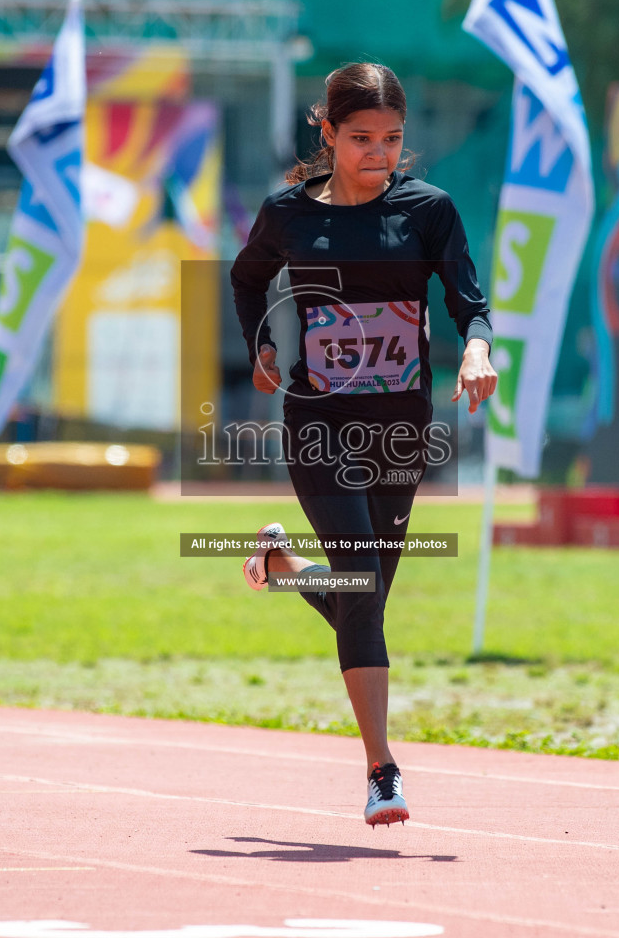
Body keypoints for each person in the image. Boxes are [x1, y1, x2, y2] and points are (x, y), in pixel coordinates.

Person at [229, 63, 497, 826]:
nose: (378, 153)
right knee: (360, 581)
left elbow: (469, 303)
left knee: (364, 595)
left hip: (402, 424)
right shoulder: (288, 215)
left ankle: (280, 565)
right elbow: (248, 282)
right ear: (328, 133)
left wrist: (476, 350)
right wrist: (263, 343)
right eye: (361, 139)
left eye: (391, 139)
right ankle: (382, 768)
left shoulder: (430, 212)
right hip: (318, 420)